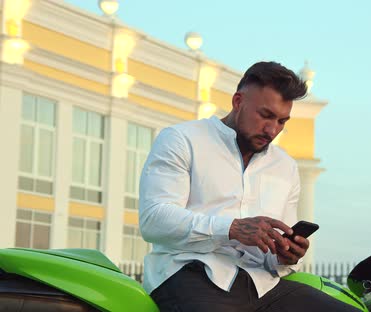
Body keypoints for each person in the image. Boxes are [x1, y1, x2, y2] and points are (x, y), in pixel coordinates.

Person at [139, 61, 359, 311]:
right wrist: (231, 228)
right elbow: (153, 220)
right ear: (237, 101)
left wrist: (285, 255)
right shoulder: (182, 140)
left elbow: (274, 258)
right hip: (189, 273)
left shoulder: (285, 166)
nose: (272, 129)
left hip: (263, 285)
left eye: (282, 121)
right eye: (265, 115)